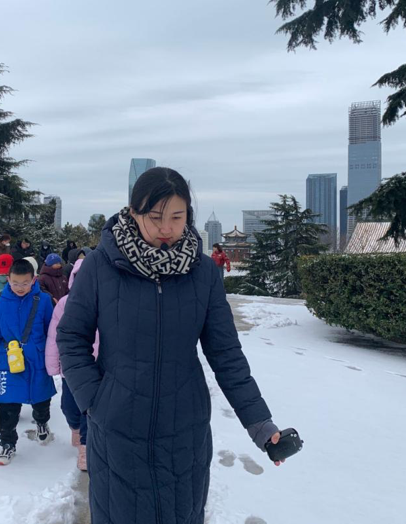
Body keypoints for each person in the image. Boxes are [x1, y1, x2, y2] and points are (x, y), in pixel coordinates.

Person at [57, 167, 287, 524]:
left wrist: (259, 422)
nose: (167, 228)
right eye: (155, 217)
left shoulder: (204, 273)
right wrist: (97, 401)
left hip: (185, 432)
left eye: (177, 217)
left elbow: (225, 353)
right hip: (118, 431)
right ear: (133, 212)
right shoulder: (100, 266)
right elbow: (72, 337)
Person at [0, 259, 57, 466]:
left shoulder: (43, 301)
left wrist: (56, 357)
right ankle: (7, 444)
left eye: (25, 283)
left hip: (37, 360)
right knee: (8, 406)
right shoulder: (0, 304)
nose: (20, 287)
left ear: (33, 280)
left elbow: (52, 331)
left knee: (41, 399)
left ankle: (42, 423)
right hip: (8, 362)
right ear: (8, 279)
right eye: (15, 283)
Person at [45, 257, 97, 471]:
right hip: (71, 367)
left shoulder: (106, 302)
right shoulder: (66, 303)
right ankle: (75, 427)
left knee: (89, 410)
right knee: (69, 407)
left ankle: (85, 447)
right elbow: (54, 336)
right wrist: (53, 365)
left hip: (97, 367)